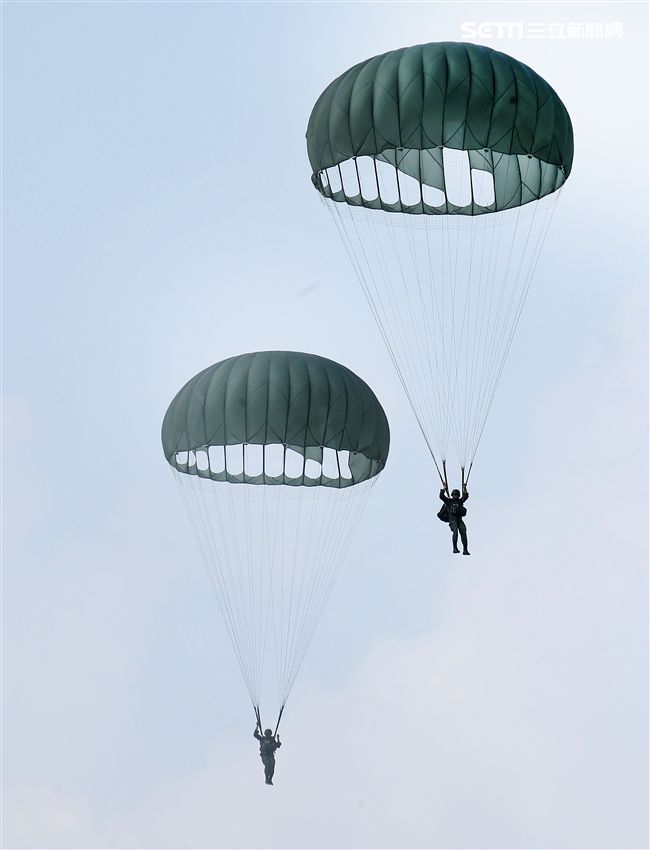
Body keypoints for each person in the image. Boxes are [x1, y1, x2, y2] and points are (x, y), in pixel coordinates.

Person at [439, 485, 470, 555]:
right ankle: (455, 548)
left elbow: (465, 496)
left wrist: (465, 488)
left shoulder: (460, 501)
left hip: (459, 519)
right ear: (452, 495)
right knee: (455, 531)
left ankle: (465, 550)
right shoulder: (448, 501)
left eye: (457, 495)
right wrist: (444, 488)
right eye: (454, 495)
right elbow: (441, 496)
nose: (455, 496)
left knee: (463, 532)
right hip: (452, 519)